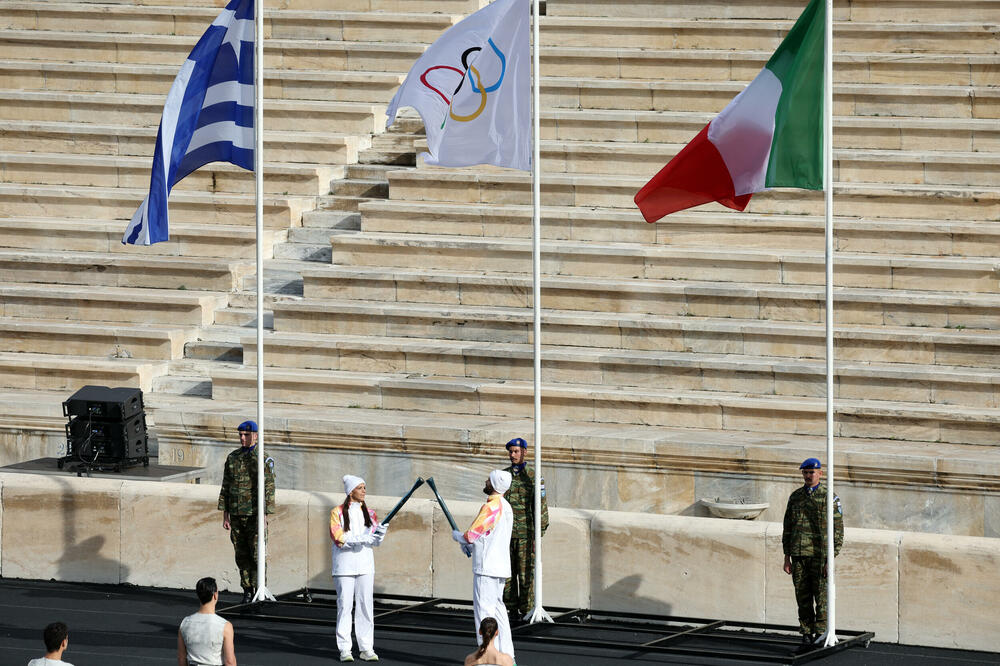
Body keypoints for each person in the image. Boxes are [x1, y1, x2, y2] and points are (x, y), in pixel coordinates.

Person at [452, 470, 515, 663]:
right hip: (499, 566)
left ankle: (486, 658)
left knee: (484, 614)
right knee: (499, 612)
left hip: (486, 567)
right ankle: (508, 656)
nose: (486, 481)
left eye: (489, 479)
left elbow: (472, 534)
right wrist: (472, 545)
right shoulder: (506, 506)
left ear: (495, 484)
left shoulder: (491, 507)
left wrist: (460, 537)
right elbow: (489, 536)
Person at [782, 457, 844, 648]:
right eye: (806, 472)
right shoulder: (796, 497)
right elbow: (788, 527)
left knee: (822, 598)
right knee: (803, 597)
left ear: (820, 473)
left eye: (812, 472)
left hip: (819, 556)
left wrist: (830, 559)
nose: (809, 476)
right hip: (799, 555)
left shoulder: (829, 497)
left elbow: (838, 530)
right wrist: (787, 556)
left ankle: (821, 632)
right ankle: (806, 633)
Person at [330, 475, 388, 662]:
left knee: (365, 606)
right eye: (360, 488)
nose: (364, 491)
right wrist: (363, 539)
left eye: (364, 487)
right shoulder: (336, 512)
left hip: (365, 565)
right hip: (344, 566)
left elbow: (375, 541)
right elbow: (339, 538)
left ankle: (366, 648)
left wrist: (380, 534)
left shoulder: (370, 513)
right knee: (345, 606)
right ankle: (345, 649)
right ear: (351, 491)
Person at [217, 420, 276, 604]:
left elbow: (269, 488)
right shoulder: (233, 458)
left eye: (247, 435)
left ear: (256, 436)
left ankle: (260, 590)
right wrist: (225, 513)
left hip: (254, 515)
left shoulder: (263, 459)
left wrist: (265, 515)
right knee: (241, 555)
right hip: (236, 515)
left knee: (257, 555)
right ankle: (247, 590)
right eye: (241, 435)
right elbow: (226, 486)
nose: (243, 438)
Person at [501, 437, 549, 620]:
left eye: (516, 451)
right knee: (507, 575)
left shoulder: (533, 477)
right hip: (506, 534)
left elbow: (541, 508)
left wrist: (539, 535)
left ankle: (527, 610)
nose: (512, 455)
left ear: (524, 453)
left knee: (525, 575)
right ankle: (510, 610)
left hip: (526, 536)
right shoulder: (504, 476)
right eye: (510, 452)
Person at [177, 577, 236, 666]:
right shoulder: (225, 626)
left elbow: (181, 658)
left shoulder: (185, 623)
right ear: (215, 595)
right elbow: (229, 662)